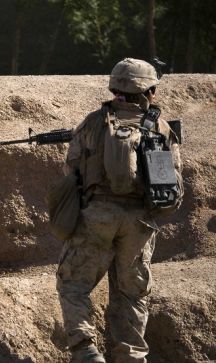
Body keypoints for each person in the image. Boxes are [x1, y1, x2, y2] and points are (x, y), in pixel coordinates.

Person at [57, 58, 183, 362]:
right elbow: (174, 183)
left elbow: (71, 168)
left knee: (73, 285)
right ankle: (131, 356)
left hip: (98, 216)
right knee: (132, 295)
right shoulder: (161, 127)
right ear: (149, 91)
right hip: (140, 222)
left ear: (115, 88)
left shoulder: (94, 122)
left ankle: (86, 351)